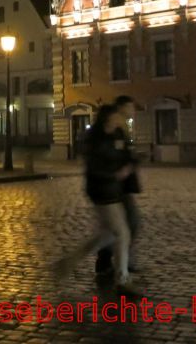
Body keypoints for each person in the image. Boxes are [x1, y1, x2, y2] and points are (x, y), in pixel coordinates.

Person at [54, 105, 136, 290]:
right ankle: (122, 278)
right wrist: (115, 175)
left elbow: (125, 156)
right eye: (116, 117)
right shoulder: (95, 139)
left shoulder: (116, 135)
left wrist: (130, 160)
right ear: (108, 118)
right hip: (102, 191)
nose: (119, 120)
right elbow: (94, 168)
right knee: (122, 233)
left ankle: (68, 263)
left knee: (106, 235)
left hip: (112, 190)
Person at [95, 95, 140, 277]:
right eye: (130, 107)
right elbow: (102, 160)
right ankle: (118, 266)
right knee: (128, 225)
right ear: (121, 108)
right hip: (112, 187)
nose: (133, 111)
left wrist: (132, 160)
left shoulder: (122, 129)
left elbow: (123, 153)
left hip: (121, 185)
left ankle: (113, 261)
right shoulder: (109, 132)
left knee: (122, 226)